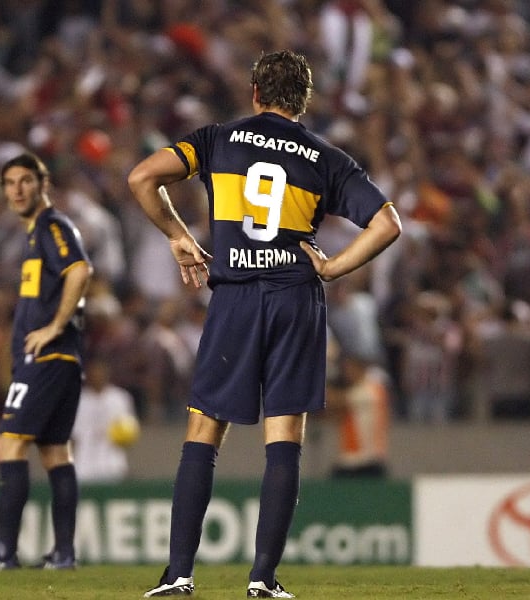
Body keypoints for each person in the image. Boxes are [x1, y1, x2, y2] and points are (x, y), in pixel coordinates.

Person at [127, 49, 401, 598]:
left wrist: (180, 238)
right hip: (295, 298)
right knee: (285, 435)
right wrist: (333, 267)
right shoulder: (326, 157)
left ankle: (180, 572)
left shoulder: (217, 139)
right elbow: (387, 224)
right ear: (304, 100)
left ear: (255, 92)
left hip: (234, 298)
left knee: (204, 428)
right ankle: (262, 578)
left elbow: (141, 177)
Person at [0, 152, 92, 571]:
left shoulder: (52, 226)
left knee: (8, 444)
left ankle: (3, 553)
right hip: (57, 360)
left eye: (25, 181)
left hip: (49, 356)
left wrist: (53, 326)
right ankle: (63, 554)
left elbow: (79, 270)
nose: (17, 190)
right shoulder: (36, 234)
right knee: (55, 453)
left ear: (42, 184)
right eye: (9, 183)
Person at [70, 357, 138, 482]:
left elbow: (130, 431)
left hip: (113, 463)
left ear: (107, 373)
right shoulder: (78, 400)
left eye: (101, 372)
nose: (97, 375)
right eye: (94, 372)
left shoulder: (121, 398)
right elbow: (73, 436)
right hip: (83, 465)